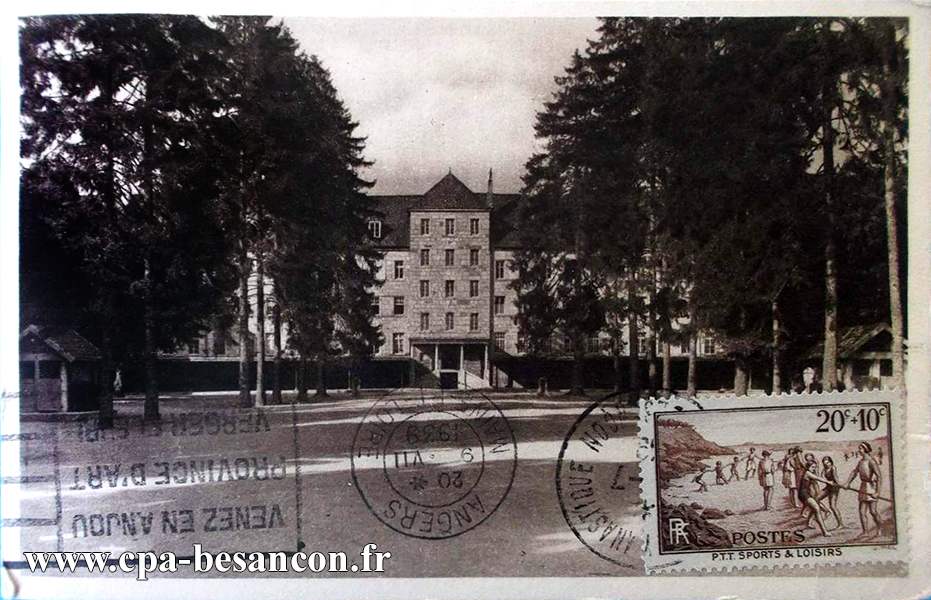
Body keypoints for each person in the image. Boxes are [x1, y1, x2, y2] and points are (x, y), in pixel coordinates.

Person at [844, 442, 883, 537]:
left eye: (860, 448)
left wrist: (877, 492)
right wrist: (847, 483)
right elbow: (854, 472)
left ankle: (880, 527)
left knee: (873, 512)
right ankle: (865, 532)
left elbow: (879, 477)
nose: (859, 450)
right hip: (863, 487)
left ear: (865, 450)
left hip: (871, 487)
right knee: (862, 512)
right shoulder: (860, 462)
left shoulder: (871, 461)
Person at [798, 454, 832, 537]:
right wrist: (828, 482)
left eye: (815, 467)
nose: (814, 469)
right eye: (812, 467)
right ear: (808, 467)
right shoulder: (807, 473)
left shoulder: (808, 472)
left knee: (815, 507)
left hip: (806, 493)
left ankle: (809, 523)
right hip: (803, 494)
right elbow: (817, 478)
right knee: (817, 509)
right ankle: (825, 532)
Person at [815, 456, 844, 529]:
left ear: (831, 462)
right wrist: (817, 467)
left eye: (828, 462)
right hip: (828, 487)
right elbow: (820, 477)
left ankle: (840, 524)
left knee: (833, 506)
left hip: (834, 487)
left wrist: (840, 485)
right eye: (825, 462)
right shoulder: (824, 469)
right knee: (816, 498)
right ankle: (825, 511)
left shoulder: (833, 468)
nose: (827, 464)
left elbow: (836, 478)